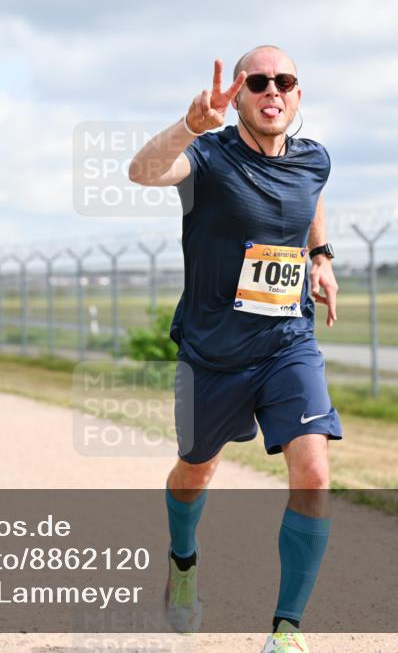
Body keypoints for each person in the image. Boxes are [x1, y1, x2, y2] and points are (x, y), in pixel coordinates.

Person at [129, 46, 341, 653]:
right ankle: (183, 560)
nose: (273, 90)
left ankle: (286, 631)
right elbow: (141, 173)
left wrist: (321, 257)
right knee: (196, 471)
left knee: (315, 472)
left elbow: (311, 198)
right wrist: (188, 126)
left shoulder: (313, 159)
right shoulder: (207, 157)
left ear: (297, 96)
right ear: (240, 94)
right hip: (213, 353)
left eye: (286, 81)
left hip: (287, 343)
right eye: (258, 81)